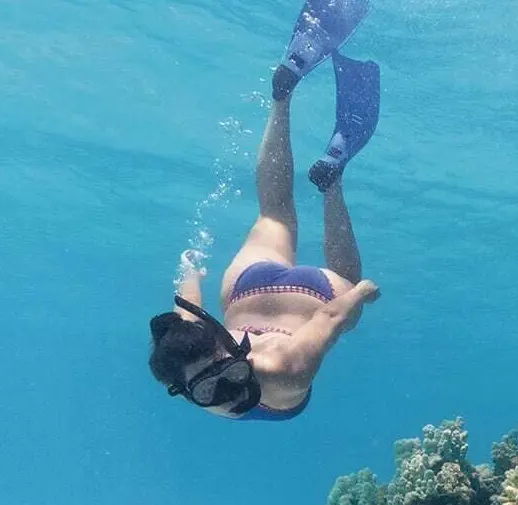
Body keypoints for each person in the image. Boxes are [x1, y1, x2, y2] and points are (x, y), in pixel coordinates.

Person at [148, 0, 383, 421]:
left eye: (218, 378)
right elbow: (188, 314)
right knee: (274, 212)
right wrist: (191, 274)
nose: (229, 391)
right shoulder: (193, 355)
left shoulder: (284, 373)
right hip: (247, 289)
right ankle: (283, 95)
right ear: (181, 389)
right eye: (207, 390)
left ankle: (333, 179)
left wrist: (362, 292)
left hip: (310, 297)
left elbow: (331, 315)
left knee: (348, 291)